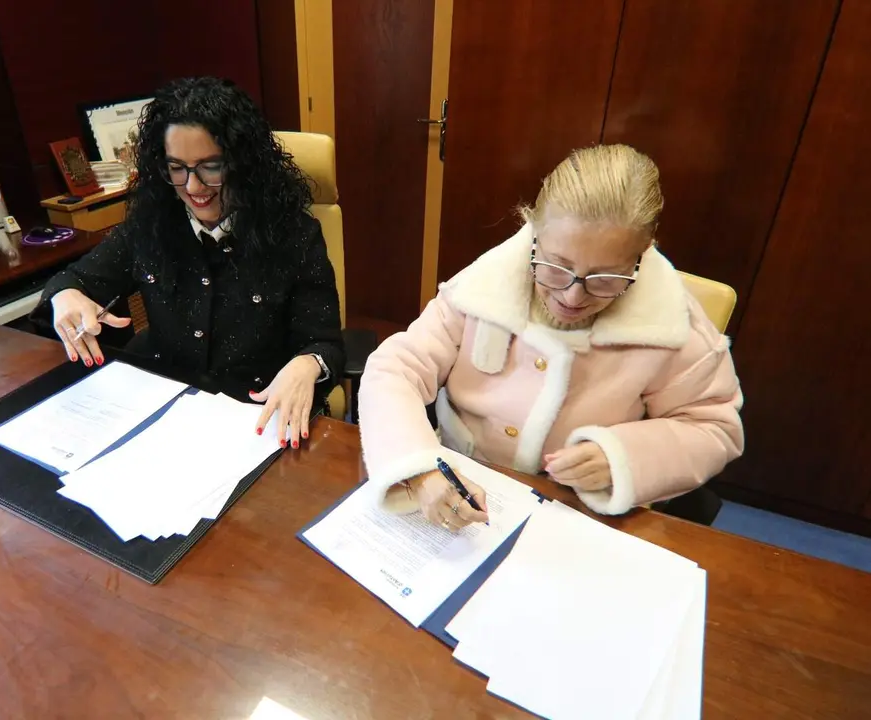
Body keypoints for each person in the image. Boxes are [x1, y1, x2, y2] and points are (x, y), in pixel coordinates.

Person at [357, 144, 744, 529]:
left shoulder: (673, 324)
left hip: (577, 516)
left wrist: (621, 458)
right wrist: (420, 469)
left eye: (606, 280)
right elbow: (395, 369)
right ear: (534, 234)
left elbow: (713, 427)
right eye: (556, 269)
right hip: (463, 489)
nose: (572, 297)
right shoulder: (481, 287)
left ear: (642, 253)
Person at [38, 77, 344, 447]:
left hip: (255, 420)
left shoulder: (294, 235)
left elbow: (325, 344)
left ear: (242, 163)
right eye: (177, 167)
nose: (193, 188)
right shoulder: (151, 225)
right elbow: (74, 280)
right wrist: (66, 295)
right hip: (166, 414)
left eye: (210, 167)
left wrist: (307, 364)